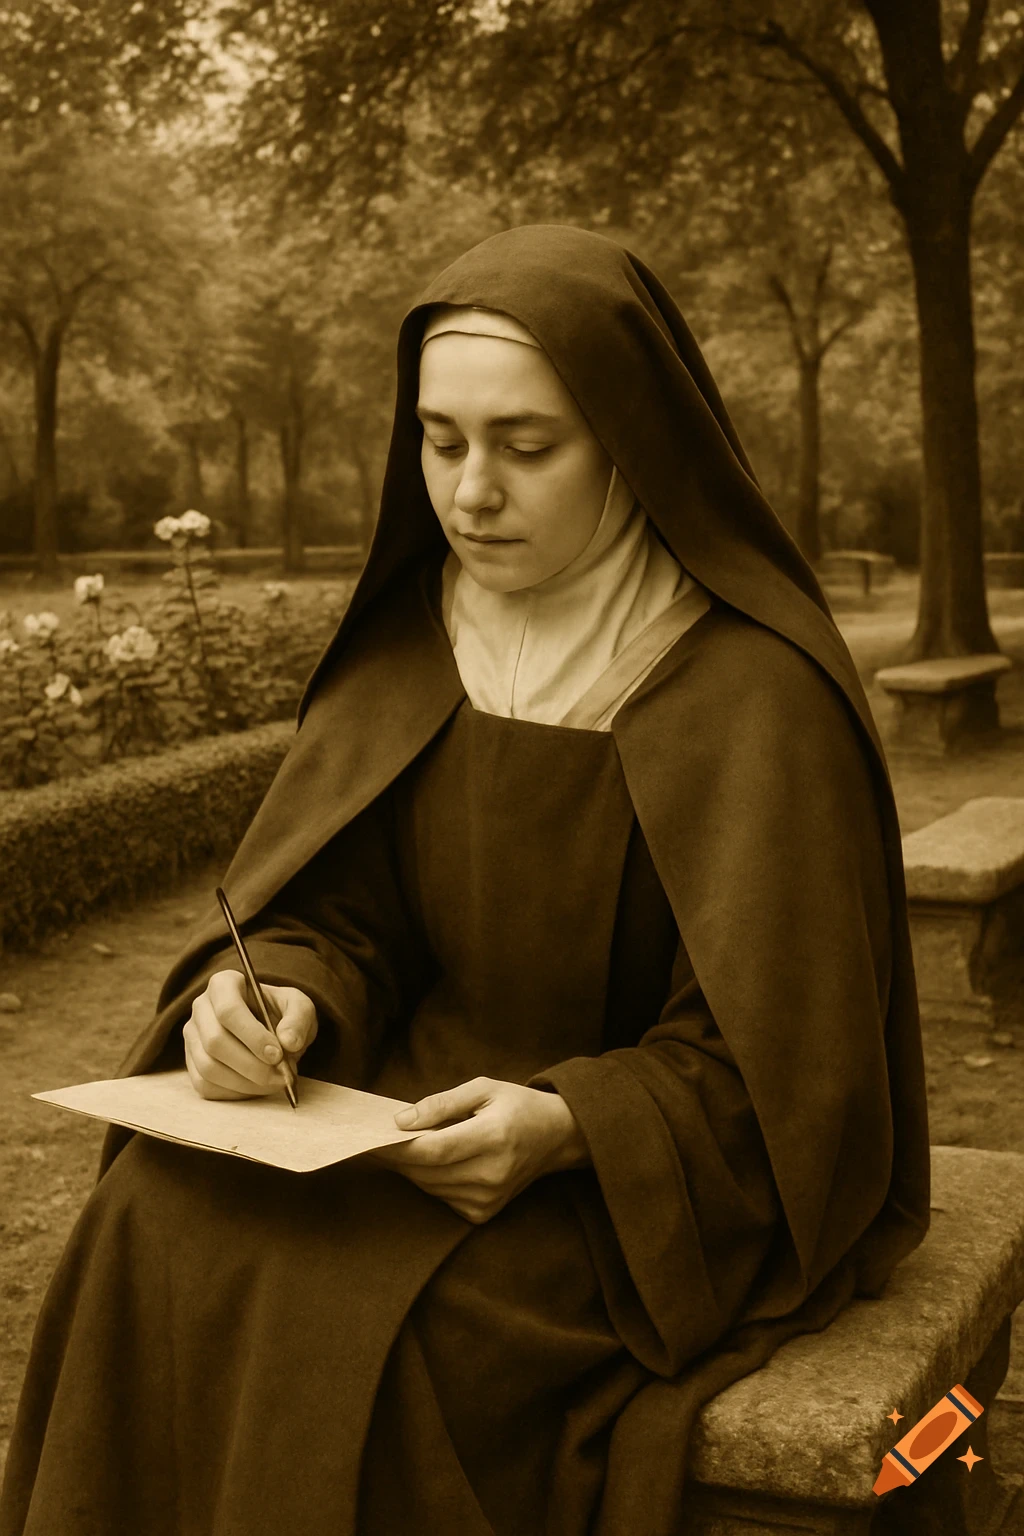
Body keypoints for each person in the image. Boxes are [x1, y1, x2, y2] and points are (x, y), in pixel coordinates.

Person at [0, 224, 930, 1536]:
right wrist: (284, 1002)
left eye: (526, 445)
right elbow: (348, 913)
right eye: (441, 441)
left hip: (620, 1193)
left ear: (628, 440)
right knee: (144, 1221)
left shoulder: (757, 698)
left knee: (385, 1330)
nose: (471, 491)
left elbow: (791, 1079)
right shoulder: (416, 641)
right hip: (402, 1119)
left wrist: (566, 1126)